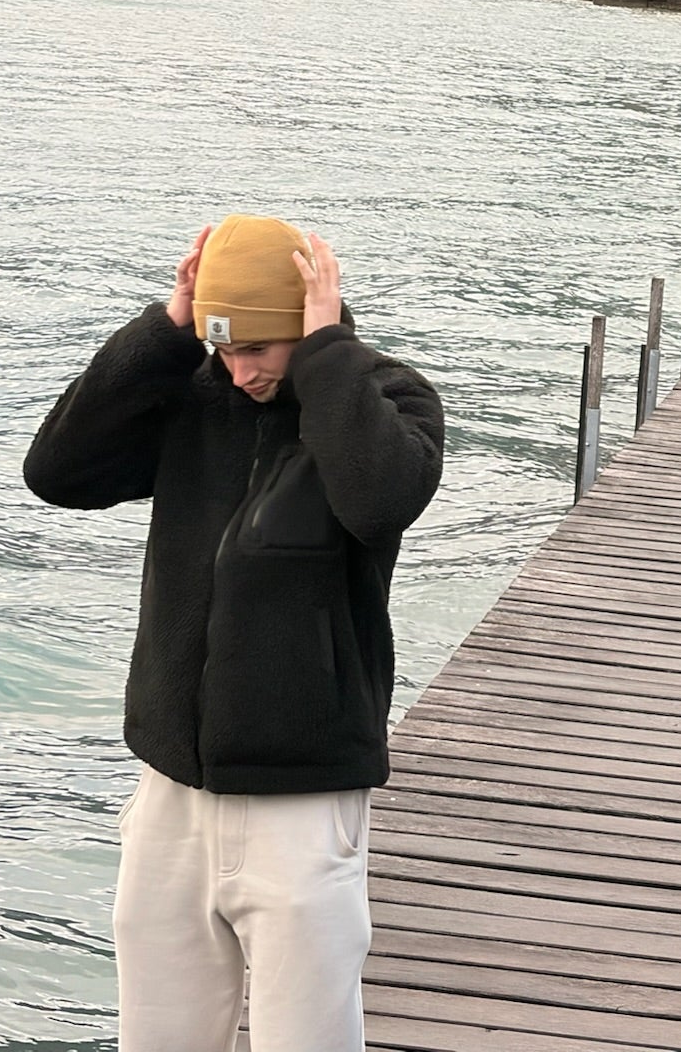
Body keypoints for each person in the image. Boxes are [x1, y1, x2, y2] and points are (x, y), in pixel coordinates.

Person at [24, 213, 444, 1052]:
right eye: (225, 347)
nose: (241, 370)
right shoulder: (195, 398)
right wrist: (166, 331)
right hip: (172, 787)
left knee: (306, 1039)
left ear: (306, 322)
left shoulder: (389, 400)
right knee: (159, 1037)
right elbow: (58, 475)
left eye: (260, 347)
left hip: (303, 795)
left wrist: (324, 357)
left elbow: (380, 500)